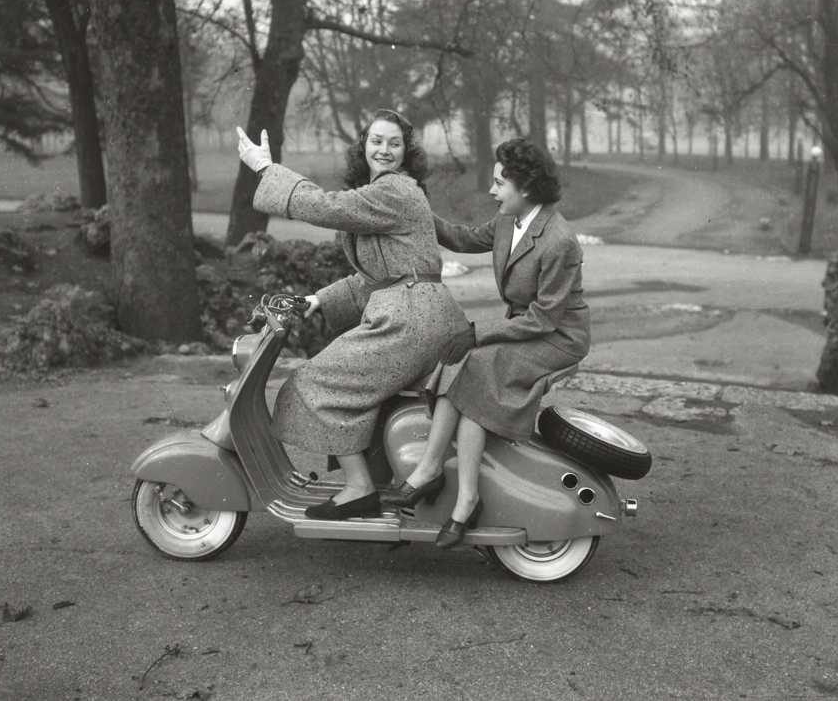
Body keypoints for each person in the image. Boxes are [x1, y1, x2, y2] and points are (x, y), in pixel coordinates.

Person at [236, 109, 467, 521]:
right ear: (364, 145)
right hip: (420, 313)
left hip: (410, 319)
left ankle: (359, 488)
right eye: (377, 141)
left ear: (405, 152)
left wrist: (266, 170)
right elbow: (378, 278)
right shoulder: (389, 193)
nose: (384, 150)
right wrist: (317, 300)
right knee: (341, 384)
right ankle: (366, 480)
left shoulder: (393, 190)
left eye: (394, 143)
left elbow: (325, 207)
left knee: (312, 383)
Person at [386, 138, 591, 548]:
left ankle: (464, 498)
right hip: (526, 328)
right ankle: (431, 473)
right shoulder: (507, 222)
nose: (493, 191)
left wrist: (478, 332)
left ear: (526, 189)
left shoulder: (558, 240)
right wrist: (415, 207)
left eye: (500, 184)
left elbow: (544, 318)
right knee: (457, 358)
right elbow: (461, 238)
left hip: (558, 337)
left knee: (477, 364)